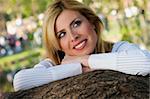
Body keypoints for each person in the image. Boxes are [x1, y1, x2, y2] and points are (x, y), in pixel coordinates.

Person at [13, 0, 150, 91]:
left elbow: (146, 63)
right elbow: (20, 81)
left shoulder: (117, 49)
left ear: (91, 22)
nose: (73, 36)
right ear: (58, 45)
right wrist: (78, 69)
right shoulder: (54, 64)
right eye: (62, 34)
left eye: (76, 24)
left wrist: (84, 59)